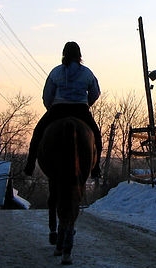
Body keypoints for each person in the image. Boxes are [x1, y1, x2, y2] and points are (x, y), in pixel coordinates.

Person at [25, 41, 103, 178]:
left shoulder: (56, 72)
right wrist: (87, 104)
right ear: (79, 55)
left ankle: (30, 165)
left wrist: (51, 108)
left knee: (37, 133)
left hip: (58, 109)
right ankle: (96, 168)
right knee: (96, 137)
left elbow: (47, 95)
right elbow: (95, 93)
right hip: (81, 110)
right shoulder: (87, 73)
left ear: (64, 54)